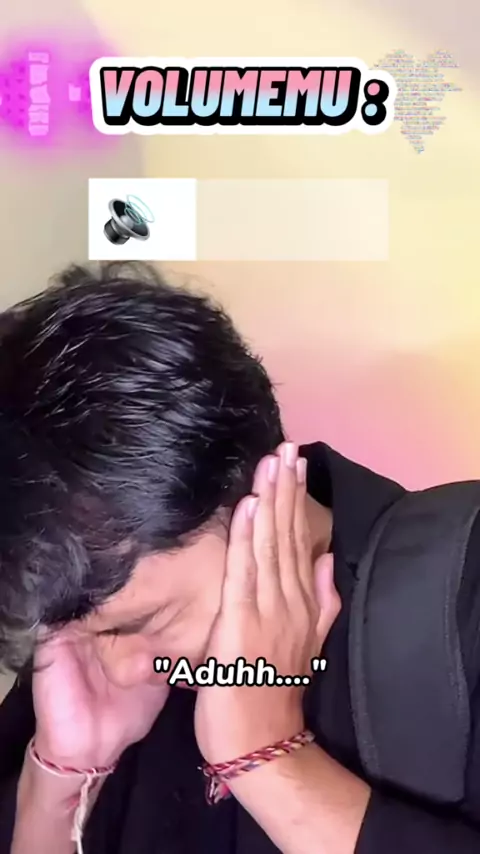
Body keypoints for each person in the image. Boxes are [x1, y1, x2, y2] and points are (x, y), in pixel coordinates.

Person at [0, 261, 478, 854]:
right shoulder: (82, 642)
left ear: (258, 487)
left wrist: (268, 760)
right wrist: (60, 786)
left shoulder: (460, 591)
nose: (121, 670)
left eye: (146, 622)